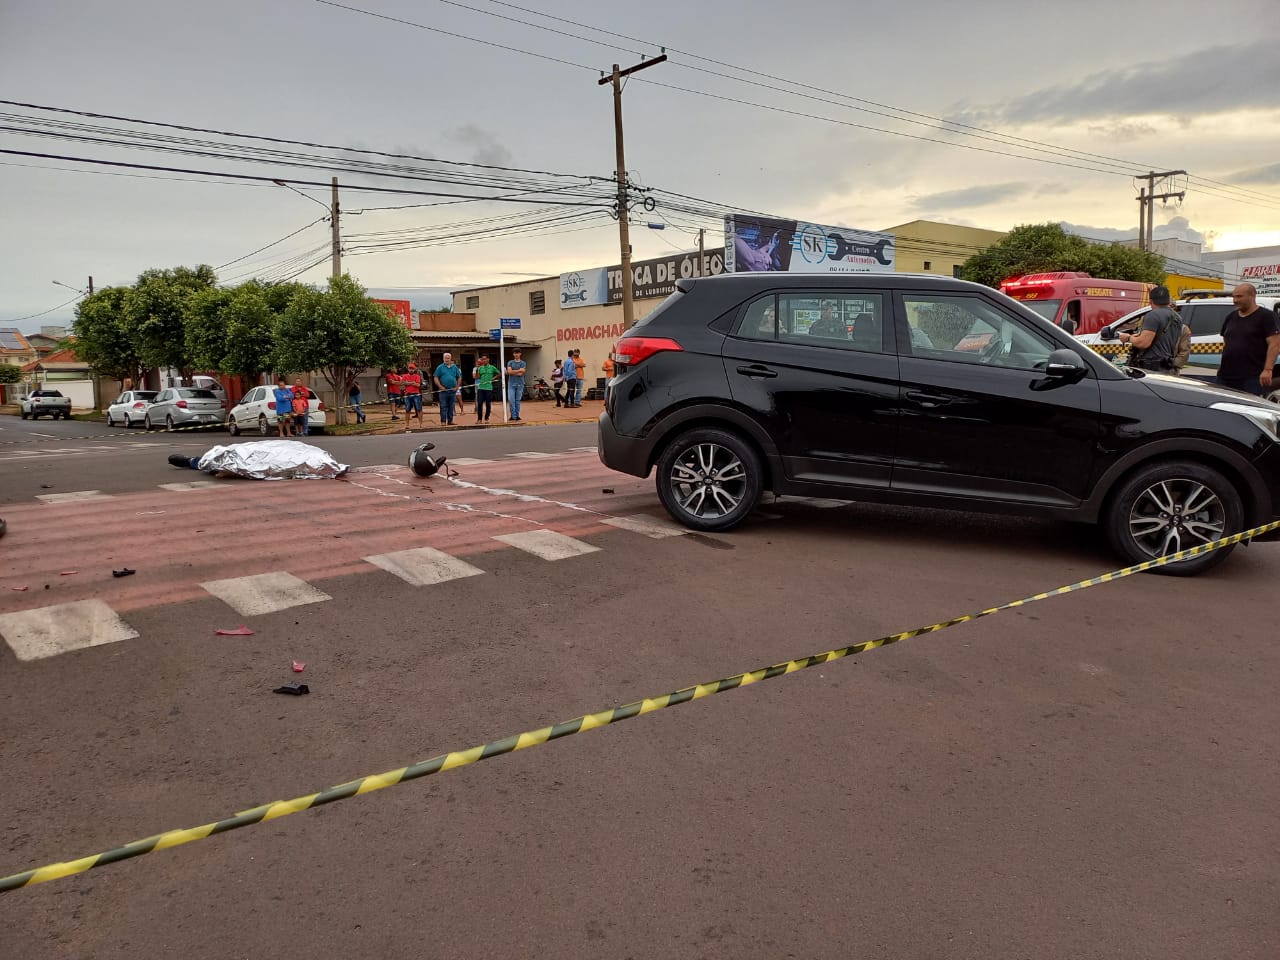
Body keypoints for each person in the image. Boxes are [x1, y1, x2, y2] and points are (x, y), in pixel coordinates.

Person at [1214, 282, 1280, 396]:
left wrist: (1268, 370)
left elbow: (1275, 344)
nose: (1235, 300)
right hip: (1225, 376)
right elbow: (1227, 342)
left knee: (1247, 409)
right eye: (1234, 296)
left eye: (1239, 296)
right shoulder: (1231, 317)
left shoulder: (1266, 316)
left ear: (1252, 296)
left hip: (1252, 378)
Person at [1119, 285, 1182, 374]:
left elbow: (1143, 343)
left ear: (1151, 301)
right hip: (1167, 366)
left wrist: (1128, 338)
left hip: (1151, 367)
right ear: (1168, 300)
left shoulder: (1153, 315)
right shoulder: (1177, 317)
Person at [433, 353, 461, 425]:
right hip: (443, 390)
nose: (447, 359)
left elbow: (459, 377)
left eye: (448, 358)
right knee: (443, 406)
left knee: (451, 406)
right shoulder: (440, 367)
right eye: (445, 358)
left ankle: (450, 421)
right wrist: (440, 387)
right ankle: (443, 421)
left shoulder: (454, 367)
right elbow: (435, 377)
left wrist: (457, 386)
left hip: (452, 390)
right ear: (443, 359)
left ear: (451, 359)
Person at [473, 353, 499, 423]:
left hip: (488, 388)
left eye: (485, 359)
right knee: (479, 403)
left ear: (488, 359)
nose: (484, 360)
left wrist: (493, 378)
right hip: (481, 388)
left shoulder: (492, 367)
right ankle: (479, 419)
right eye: (482, 359)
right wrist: (476, 371)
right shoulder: (480, 368)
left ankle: (487, 417)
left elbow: (499, 373)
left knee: (488, 404)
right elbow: (476, 377)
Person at [401, 362, 424, 431]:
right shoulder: (404, 376)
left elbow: (418, 385)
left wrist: (409, 383)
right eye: (410, 368)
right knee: (407, 410)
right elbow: (403, 383)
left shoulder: (417, 376)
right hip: (408, 394)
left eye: (412, 369)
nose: (411, 370)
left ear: (414, 369)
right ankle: (407, 424)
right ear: (408, 369)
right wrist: (412, 383)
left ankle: (421, 424)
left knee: (419, 409)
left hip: (416, 394)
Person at [506, 348, 527, 420]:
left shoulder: (523, 363)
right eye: (515, 353)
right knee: (511, 400)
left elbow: (522, 372)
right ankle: (513, 415)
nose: (516, 354)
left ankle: (517, 416)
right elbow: (509, 372)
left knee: (517, 400)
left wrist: (513, 371)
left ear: (520, 354)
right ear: (513, 354)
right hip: (511, 384)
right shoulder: (510, 362)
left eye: (517, 353)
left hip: (520, 383)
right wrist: (518, 371)